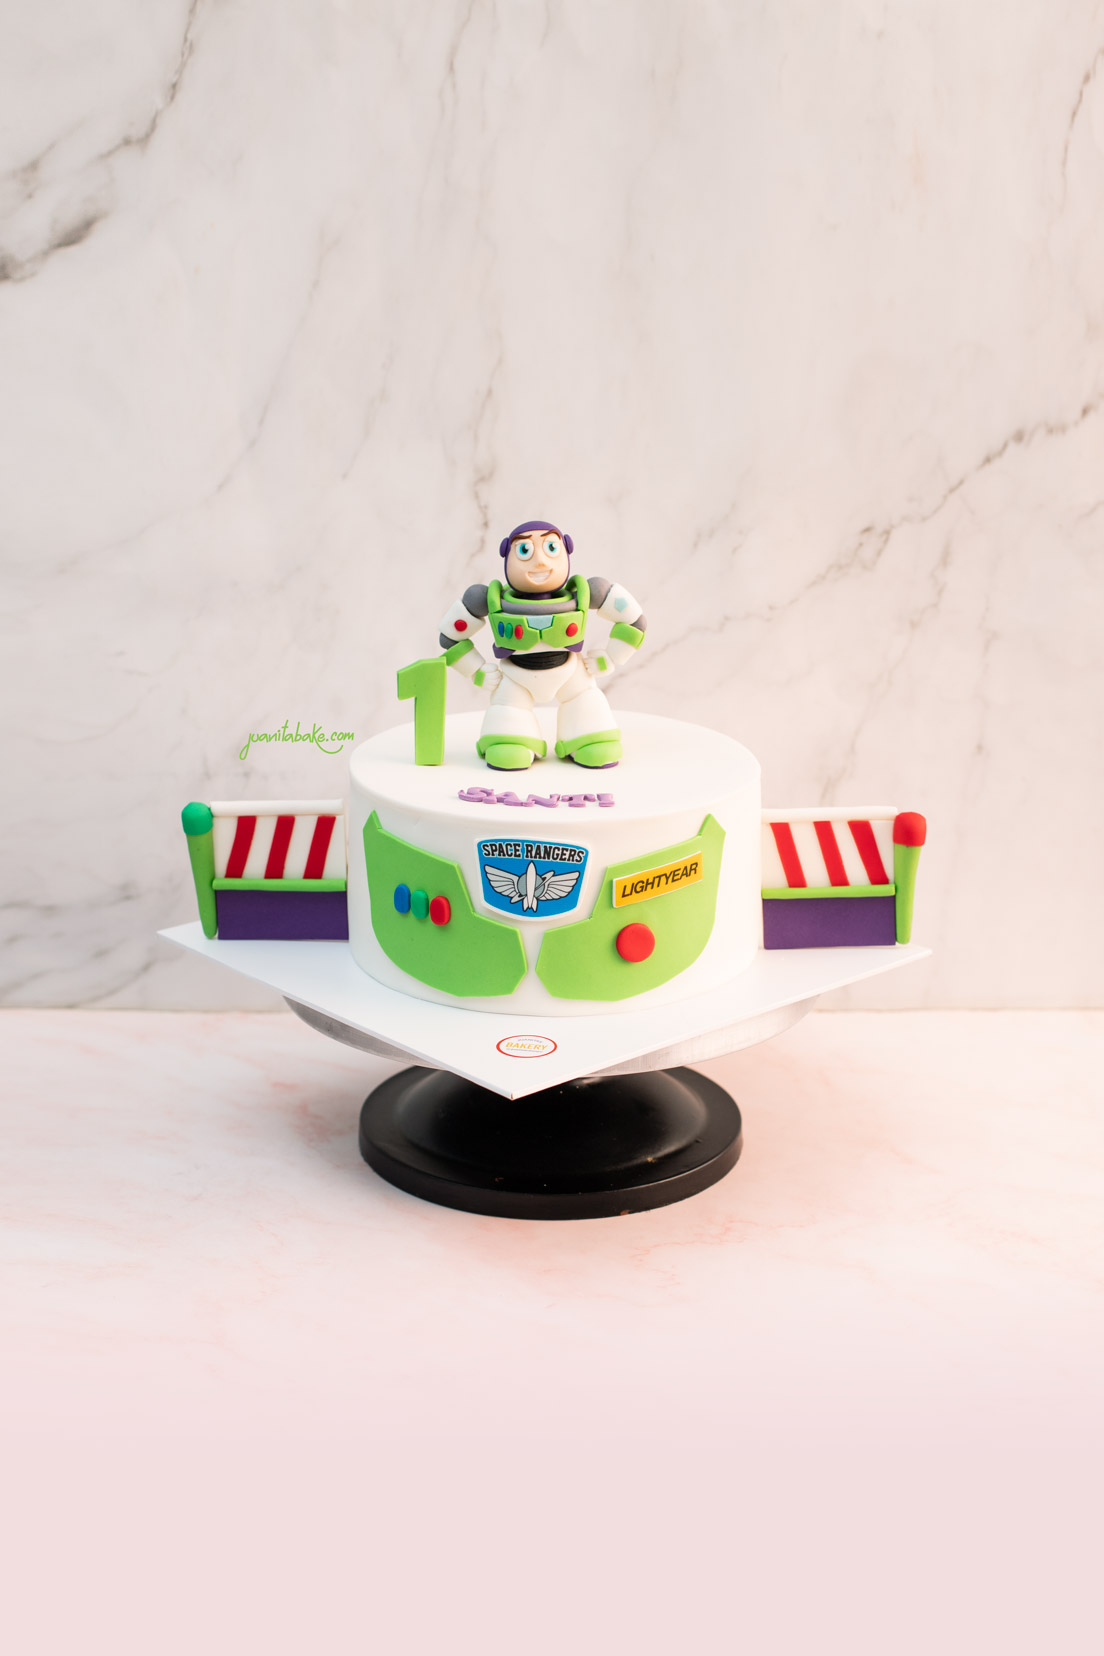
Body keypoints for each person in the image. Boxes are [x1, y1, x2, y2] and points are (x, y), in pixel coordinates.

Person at [438, 520, 647, 771]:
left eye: (550, 548)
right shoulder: (487, 600)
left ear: (566, 549)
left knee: (589, 711)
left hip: (572, 676)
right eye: (525, 550)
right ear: (506, 554)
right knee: (507, 737)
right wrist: (476, 670)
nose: (539, 561)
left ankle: (586, 736)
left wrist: (611, 657)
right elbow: (450, 637)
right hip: (514, 678)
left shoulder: (590, 592)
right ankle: (512, 739)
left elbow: (634, 621)